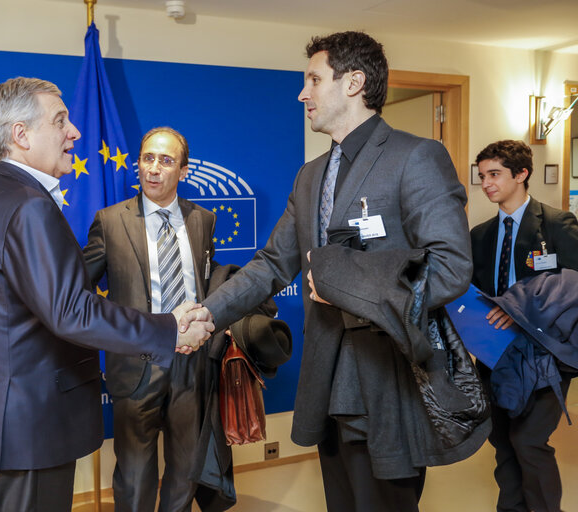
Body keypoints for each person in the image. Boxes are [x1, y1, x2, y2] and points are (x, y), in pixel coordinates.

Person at [194, 31, 480, 512]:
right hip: (326, 378)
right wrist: (206, 313)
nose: (302, 93)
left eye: (312, 79)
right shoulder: (310, 175)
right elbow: (270, 265)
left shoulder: (416, 157)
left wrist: (341, 279)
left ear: (354, 82)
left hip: (386, 381)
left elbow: (450, 267)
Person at [0, 77, 213, 512]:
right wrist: (169, 330)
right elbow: (71, 310)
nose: (74, 133)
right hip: (30, 422)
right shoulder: (29, 205)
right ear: (21, 135)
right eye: (60, 121)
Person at [83, 127, 215, 512]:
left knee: (187, 470)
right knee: (136, 477)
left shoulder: (203, 220)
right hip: (136, 365)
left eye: (166, 160)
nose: (154, 169)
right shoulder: (109, 221)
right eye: (147, 158)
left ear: (184, 171)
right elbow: (77, 290)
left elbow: (204, 283)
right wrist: (114, 331)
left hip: (191, 364)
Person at [471, 139, 578, 512]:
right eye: (482, 175)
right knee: (502, 442)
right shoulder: (480, 235)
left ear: (522, 174)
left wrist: (520, 308)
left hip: (544, 353)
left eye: (495, 174)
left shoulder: (556, 224)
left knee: (529, 441)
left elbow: (572, 287)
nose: (486, 183)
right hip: (493, 353)